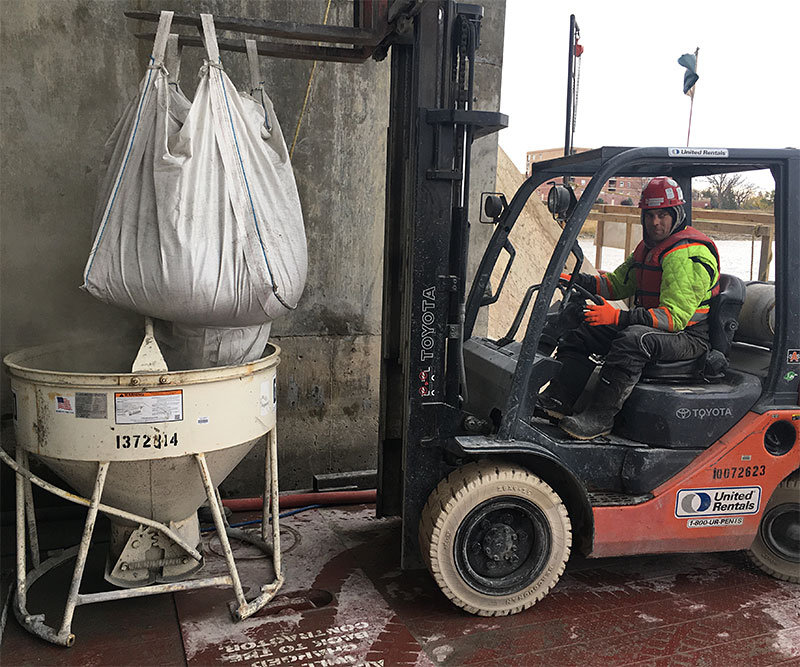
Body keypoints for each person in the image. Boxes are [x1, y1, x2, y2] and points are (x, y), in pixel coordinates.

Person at [536, 176, 720, 440]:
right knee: (586, 326)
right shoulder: (648, 249)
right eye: (650, 216)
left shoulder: (688, 255)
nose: (655, 223)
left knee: (632, 339)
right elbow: (616, 284)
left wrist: (618, 317)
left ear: (676, 214)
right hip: (657, 326)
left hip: (688, 337)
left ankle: (600, 418)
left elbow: (674, 317)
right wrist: (577, 279)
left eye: (662, 215)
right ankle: (557, 401)